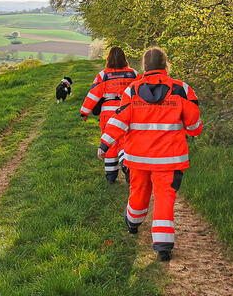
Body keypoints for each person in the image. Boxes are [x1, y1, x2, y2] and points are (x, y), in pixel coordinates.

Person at [98, 47, 201, 261]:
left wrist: (105, 144)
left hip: (138, 159)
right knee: (164, 198)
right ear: (166, 64)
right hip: (170, 160)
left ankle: (133, 223)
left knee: (139, 193)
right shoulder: (182, 89)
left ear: (144, 67)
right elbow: (194, 127)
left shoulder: (132, 91)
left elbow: (119, 121)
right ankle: (163, 246)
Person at [80, 46, 138, 183]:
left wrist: (84, 112)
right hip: (127, 110)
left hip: (108, 112)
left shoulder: (103, 75)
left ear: (108, 59)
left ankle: (111, 176)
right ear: (124, 58)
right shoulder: (134, 74)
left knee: (110, 143)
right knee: (125, 140)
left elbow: (93, 95)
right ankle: (127, 164)